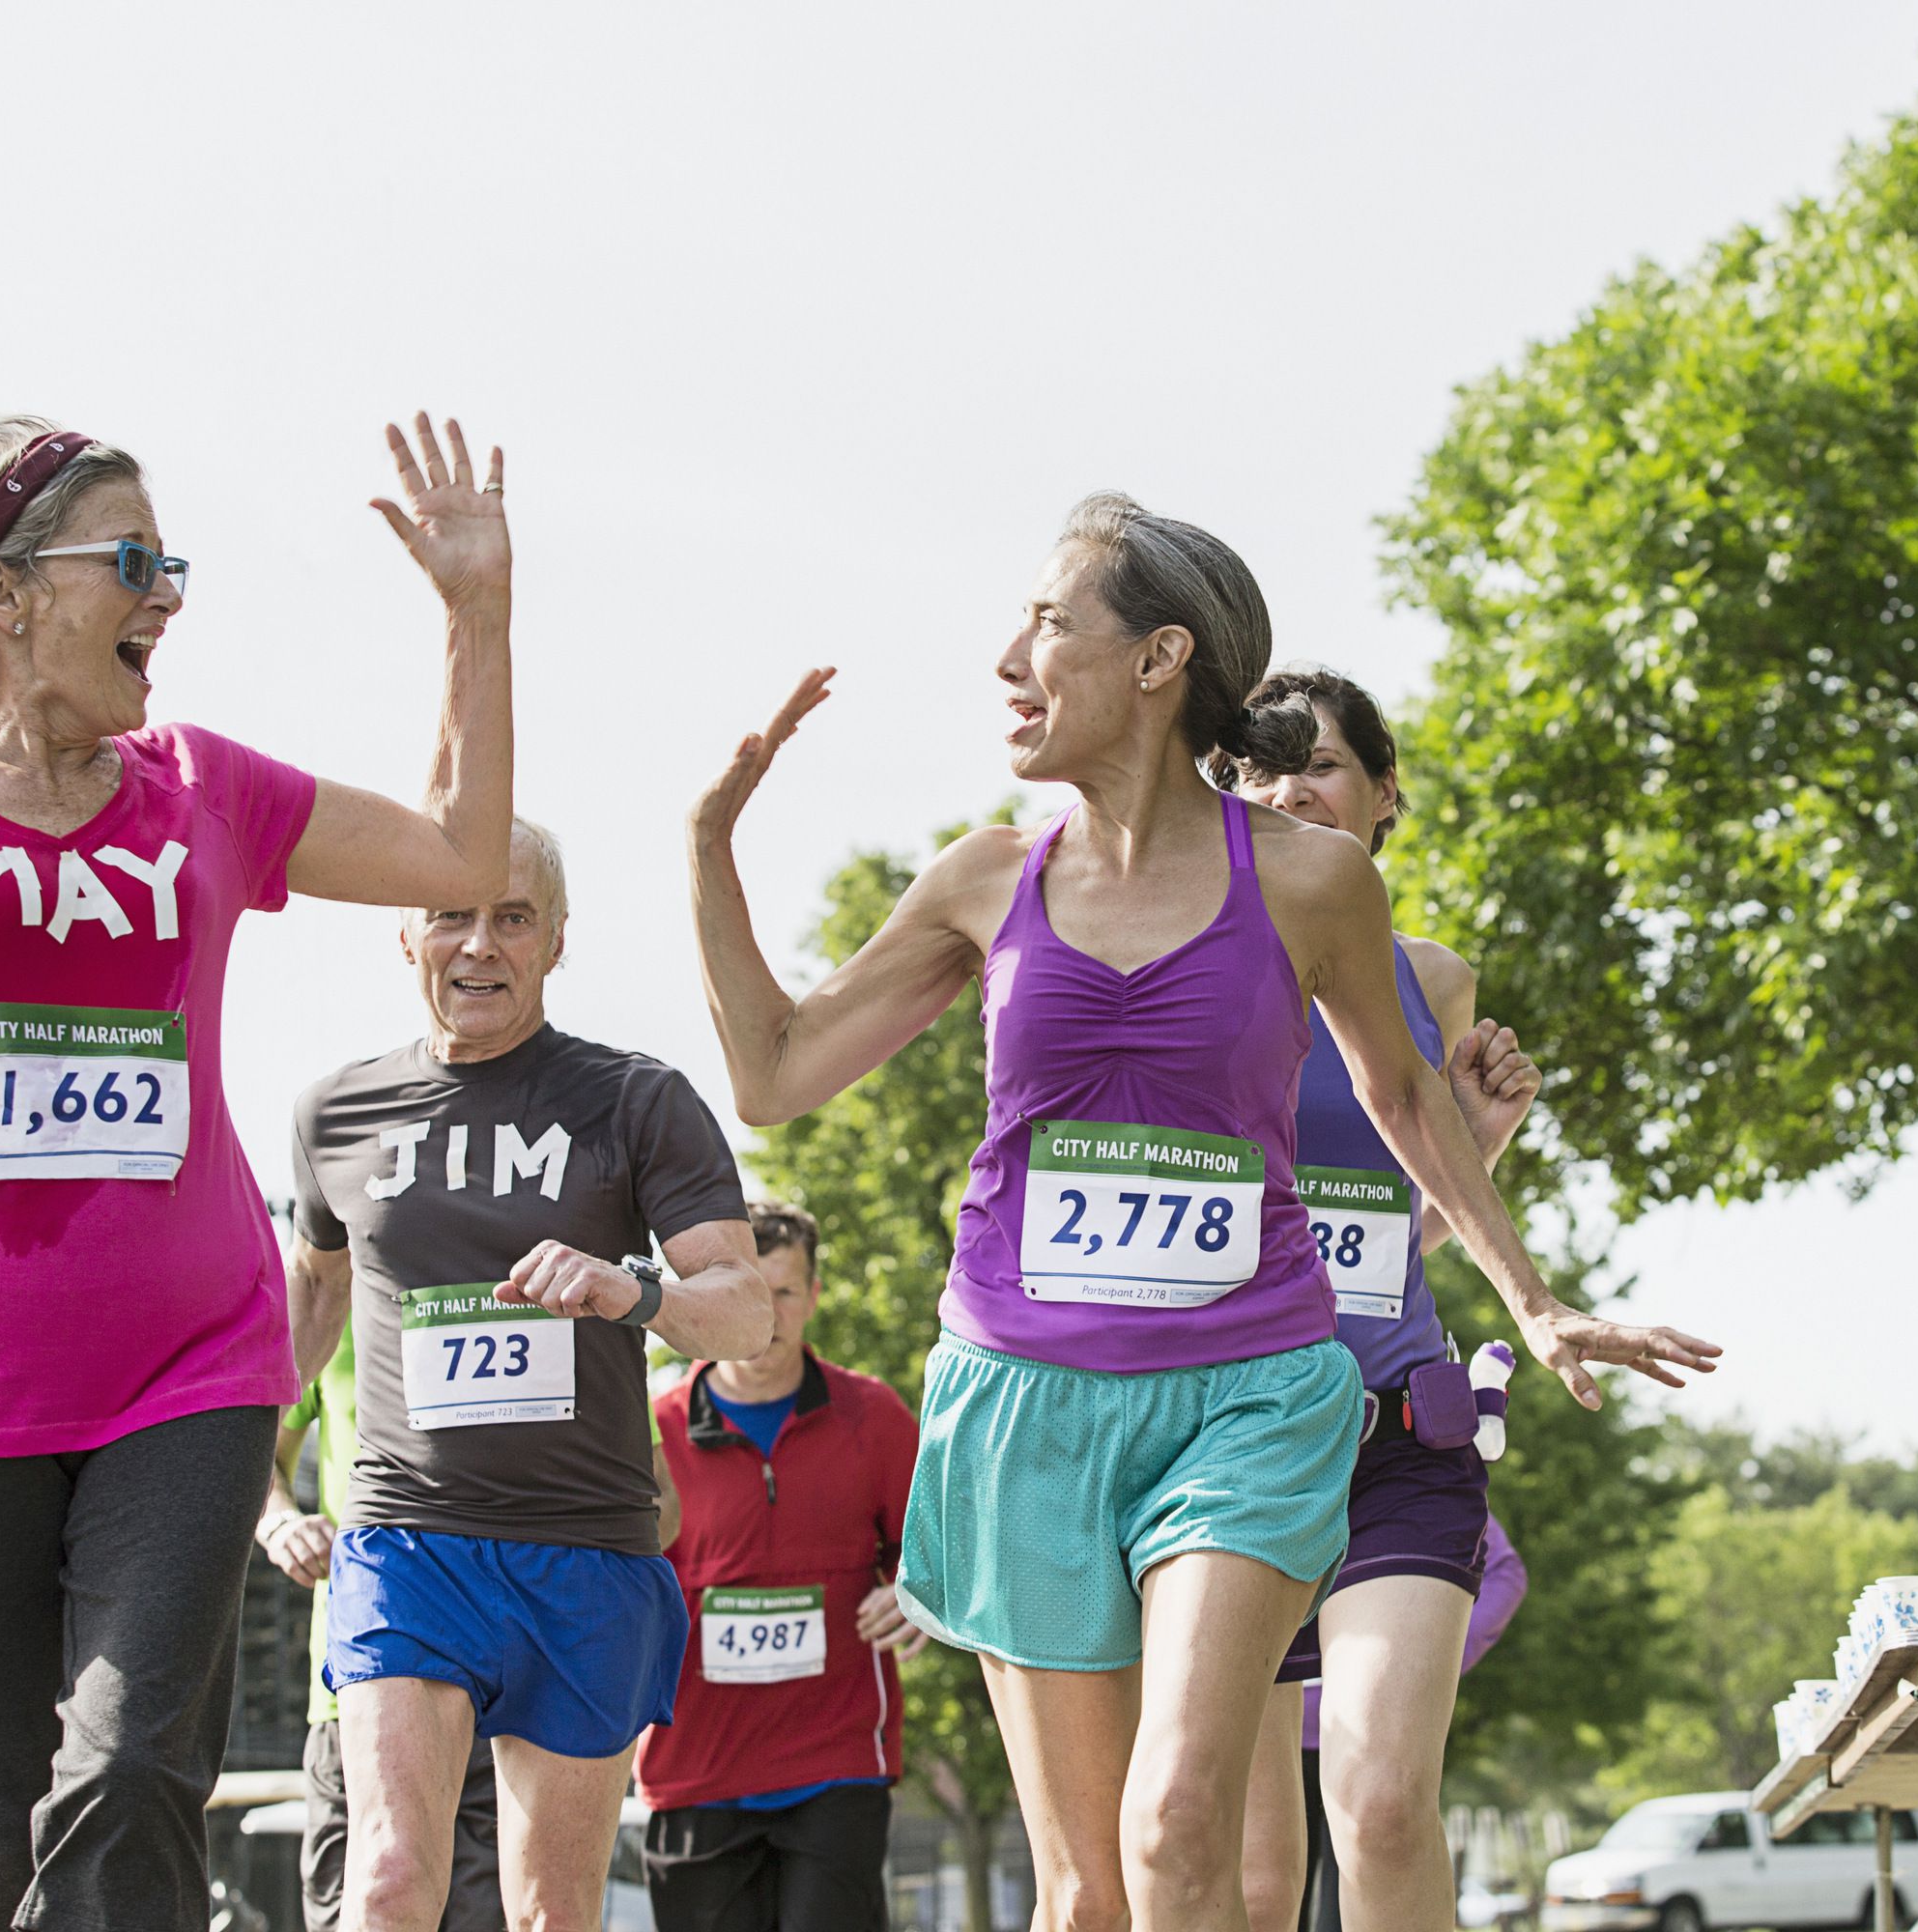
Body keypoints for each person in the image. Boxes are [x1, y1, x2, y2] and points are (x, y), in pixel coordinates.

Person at [688, 492, 1721, 1932]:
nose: (1009, 659)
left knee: (1186, 1830)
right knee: (1085, 1895)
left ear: (1161, 657)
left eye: (1049, 624)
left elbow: (1412, 1106)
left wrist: (1535, 1303)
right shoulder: (990, 878)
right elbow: (774, 1074)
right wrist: (707, 852)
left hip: (1249, 1396)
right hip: (1025, 1400)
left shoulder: (1311, 882)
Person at [0, 412, 510, 1929]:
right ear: (0, 593)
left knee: (129, 1778)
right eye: (132, 562)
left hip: (189, 1373)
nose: (169, 598)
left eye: (171, 563)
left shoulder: (204, 787)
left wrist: (476, 611)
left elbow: (464, 857)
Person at [287, 814, 771, 1932]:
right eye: (451, 914)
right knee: (390, 1878)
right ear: (403, 933)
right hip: (409, 1537)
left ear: (556, 940)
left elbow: (744, 1310)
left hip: (586, 1547)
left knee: (551, 1908)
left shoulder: (637, 1099)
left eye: (512, 918)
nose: (479, 945)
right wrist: (222, 1467)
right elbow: (305, 1303)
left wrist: (630, 1288)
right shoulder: (334, 1111)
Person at [1217, 667, 1542, 1932]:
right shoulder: (1171, 970)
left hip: (1393, 1426)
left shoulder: (1434, 979)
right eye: (1252, 767)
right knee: (1243, 1876)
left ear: (1383, 794)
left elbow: (1385, 1234)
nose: (1285, 788)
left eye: (1322, 763)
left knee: (1384, 1808)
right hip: (1216, 1441)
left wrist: (1478, 1138)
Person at [636, 1198, 926, 1930]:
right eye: (747, 1293)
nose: (765, 1315)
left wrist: (918, 1594)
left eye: (785, 1292)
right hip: (693, 1770)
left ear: (814, 1296)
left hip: (837, 1765)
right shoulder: (650, 1434)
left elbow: (937, 1555)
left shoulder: (875, 1417)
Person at [259, 1323, 504, 1932]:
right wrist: (282, 1525)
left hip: (503, 1697)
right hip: (354, 1692)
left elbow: (655, 1497)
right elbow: (253, 1463)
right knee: (365, 1908)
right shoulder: (326, 1314)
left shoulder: (529, 1315)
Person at [1290, 1518, 1527, 1932]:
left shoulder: (1405, 1469)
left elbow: (1506, 1573)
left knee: (1358, 1887)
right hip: (1269, 1724)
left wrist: (1431, 1657)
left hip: (1366, 1730)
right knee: (1261, 1897)